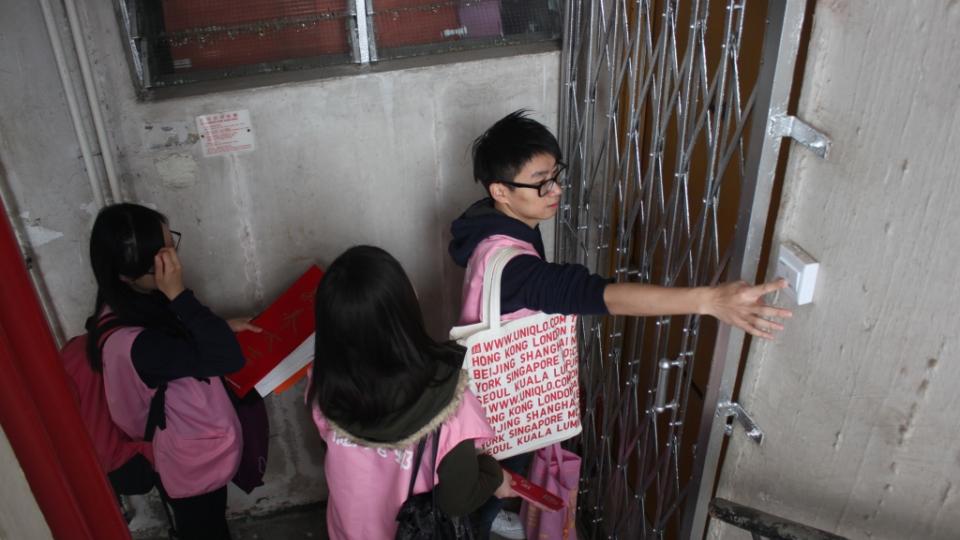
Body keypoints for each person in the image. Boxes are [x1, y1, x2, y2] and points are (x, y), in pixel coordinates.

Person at [449, 110, 793, 538]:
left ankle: (489, 509)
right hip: (505, 409)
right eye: (541, 182)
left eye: (557, 174)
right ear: (501, 190)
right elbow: (599, 294)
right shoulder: (517, 269)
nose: (555, 190)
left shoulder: (487, 225)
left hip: (493, 397)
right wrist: (709, 300)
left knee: (497, 471)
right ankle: (478, 523)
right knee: (495, 475)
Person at [307, 245, 518, 540]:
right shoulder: (449, 402)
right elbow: (457, 499)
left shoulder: (322, 383)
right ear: (405, 310)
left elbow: (327, 445)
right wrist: (493, 474)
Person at [85, 203, 258, 540]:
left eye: (170, 244)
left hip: (188, 446)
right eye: (164, 254)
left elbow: (177, 342)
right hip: (187, 465)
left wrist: (221, 325)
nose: (175, 261)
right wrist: (178, 293)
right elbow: (225, 358)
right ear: (129, 273)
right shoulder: (140, 343)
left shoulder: (127, 301)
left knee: (207, 522)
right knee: (205, 529)